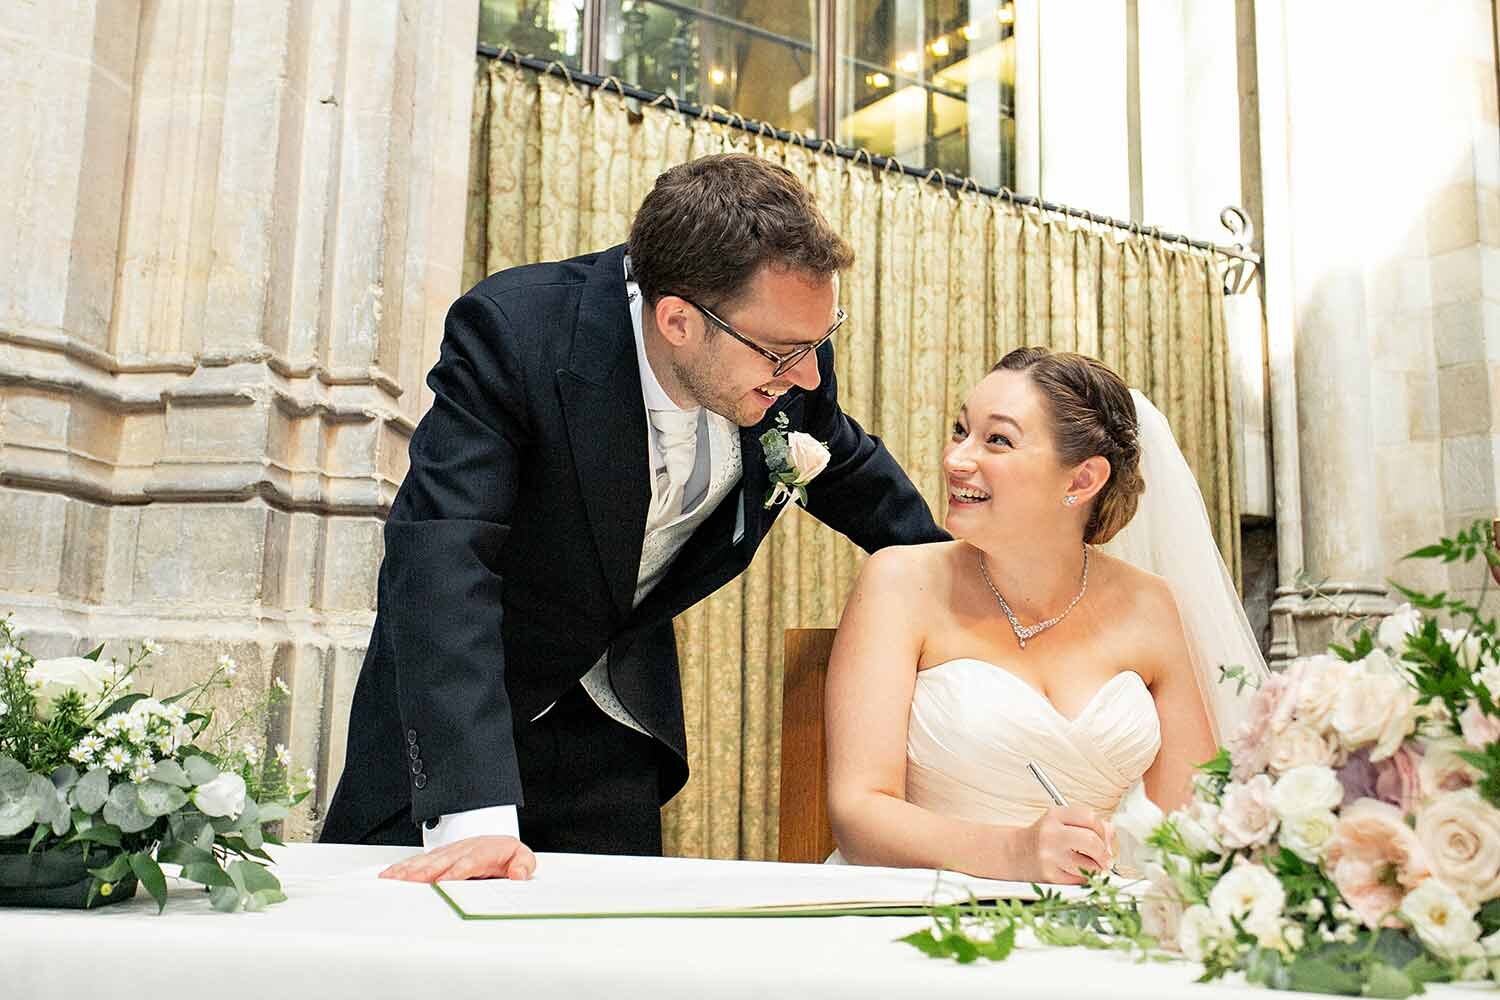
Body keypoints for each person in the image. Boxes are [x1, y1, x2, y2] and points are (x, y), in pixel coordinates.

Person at [320, 153, 947, 881]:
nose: (806, 375)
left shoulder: (786, 357)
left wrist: (969, 587)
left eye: (819, 343)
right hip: (462, 720)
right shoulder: (517, 334)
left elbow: (845, 465)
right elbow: (441, 559)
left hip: (617, 729)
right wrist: (474, 815)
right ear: (678, 320)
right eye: (785, 353)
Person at [825, 346, 1266, 883]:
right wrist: (1015, 853)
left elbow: (1191, 823)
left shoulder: (1151, 606)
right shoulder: (899, 581)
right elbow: (859, 811)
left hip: (1081, 915)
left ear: (1081, 482)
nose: (956, 459)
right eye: (959, 430)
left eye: (997, 440)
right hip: (914, 902)